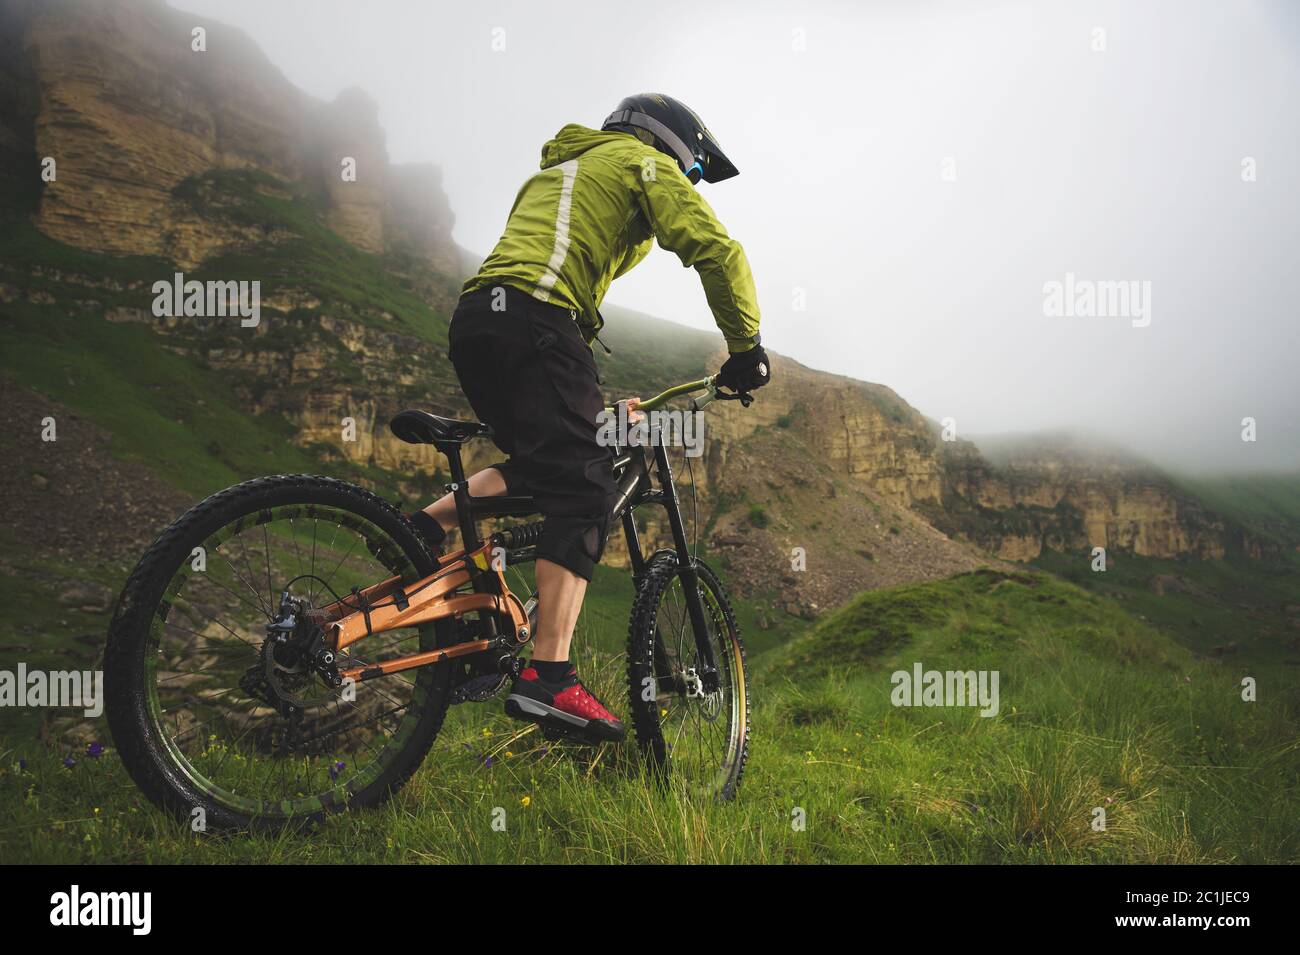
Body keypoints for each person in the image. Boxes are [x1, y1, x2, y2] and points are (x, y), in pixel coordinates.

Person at [409, 93, 770, 742]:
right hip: (536, 317)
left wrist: (590, 407)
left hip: (480, 324)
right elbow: (716, 249)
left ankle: (421, 528)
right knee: (586, 486)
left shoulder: (561, 172)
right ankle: (549, 677)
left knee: (546, 466)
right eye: (693, 169)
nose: (690, 181)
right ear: (671, 144)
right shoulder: (642, 163)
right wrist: (746, 349)